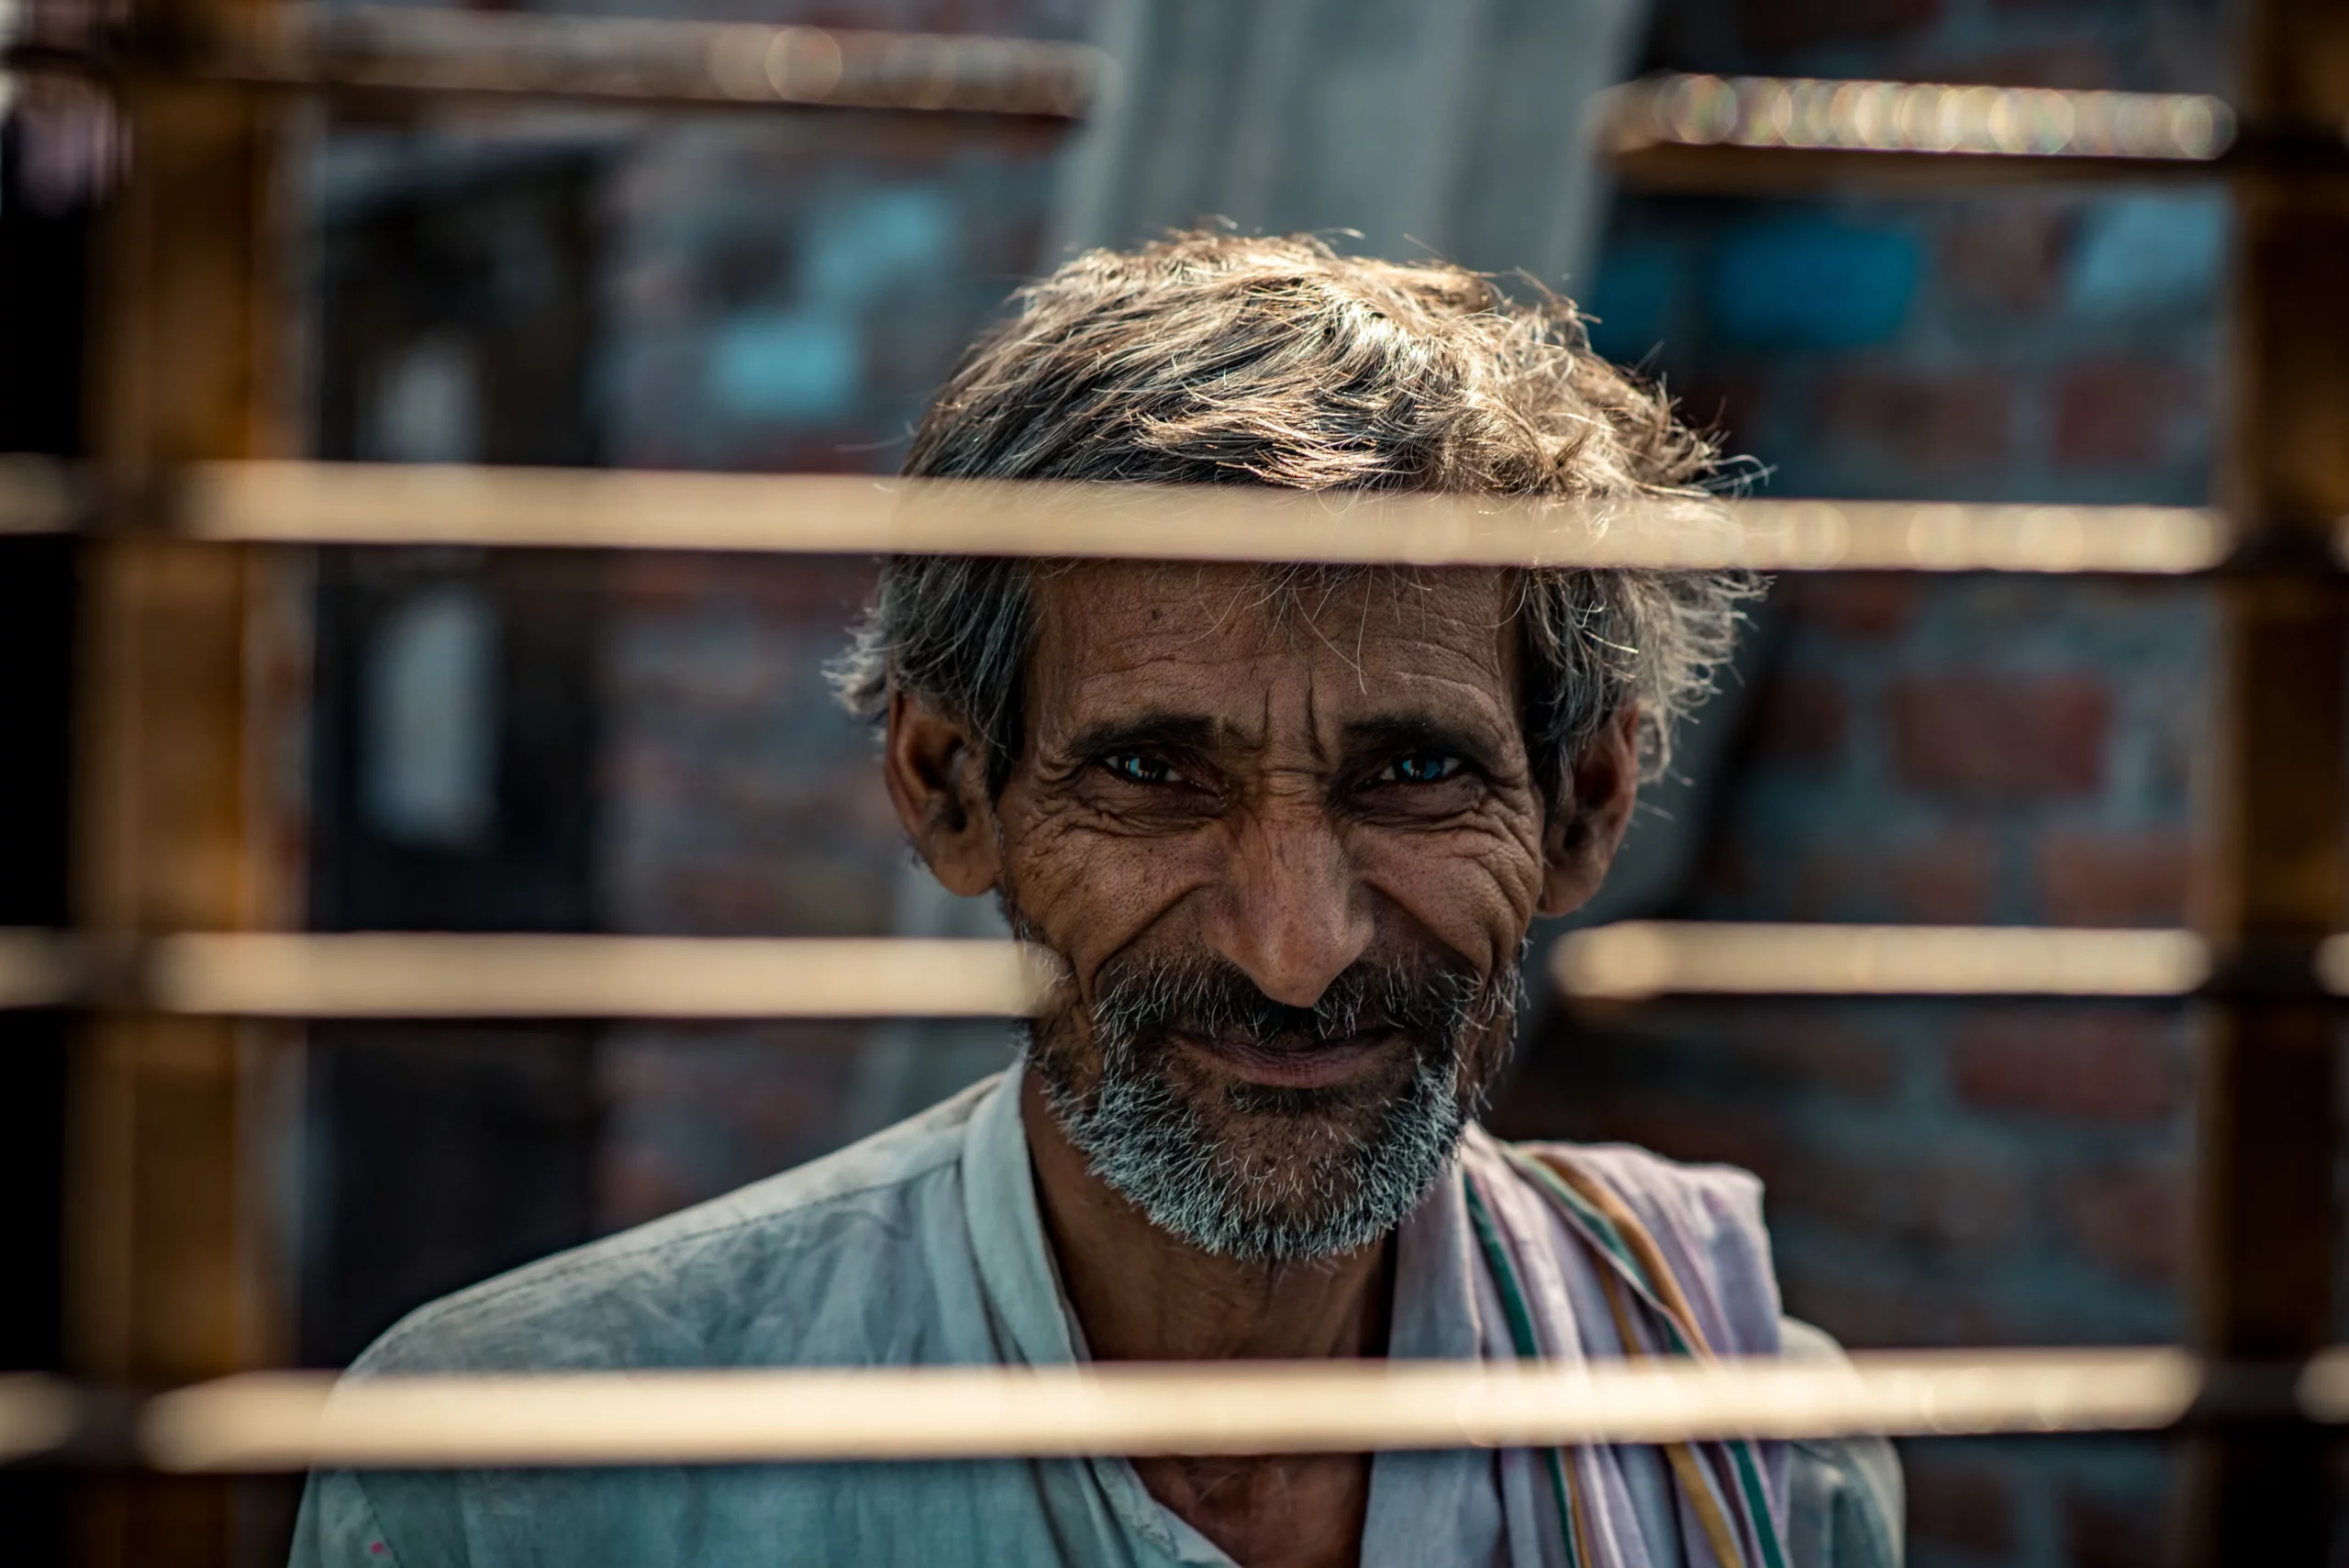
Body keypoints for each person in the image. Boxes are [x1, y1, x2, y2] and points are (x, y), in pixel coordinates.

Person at [291, 232, 1901, 1568]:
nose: (1295, 951)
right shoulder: (525, 1491)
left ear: (1585, 809)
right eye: (1152, 776)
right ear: (948, 789)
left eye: (1412, 776)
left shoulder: (1750, 1452)